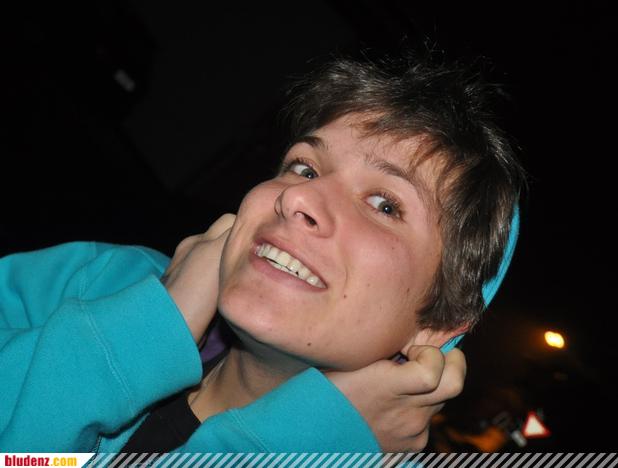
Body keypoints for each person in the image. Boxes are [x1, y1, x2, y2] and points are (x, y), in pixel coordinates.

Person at [0, 52, 522, 454]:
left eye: (384, 205)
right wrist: (142, 335)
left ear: (437, 325)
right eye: (304, 167)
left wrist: (307, 441)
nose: (298, 197)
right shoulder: (97, 282)